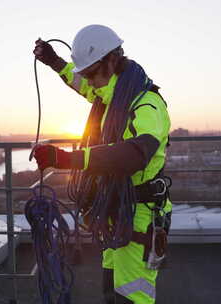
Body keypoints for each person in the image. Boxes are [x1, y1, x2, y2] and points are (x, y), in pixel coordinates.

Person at [32, 24, 172, 304]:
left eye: (92, 73)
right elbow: (80, 82)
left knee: (133, 297)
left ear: (111, 60)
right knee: (111, 291)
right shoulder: (109, 97)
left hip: (138, 216)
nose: (89, 82)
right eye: (86, 74)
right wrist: (54, 61)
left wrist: (67, 159)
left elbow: (133, 154)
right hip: (116, 213)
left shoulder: (147, 105)